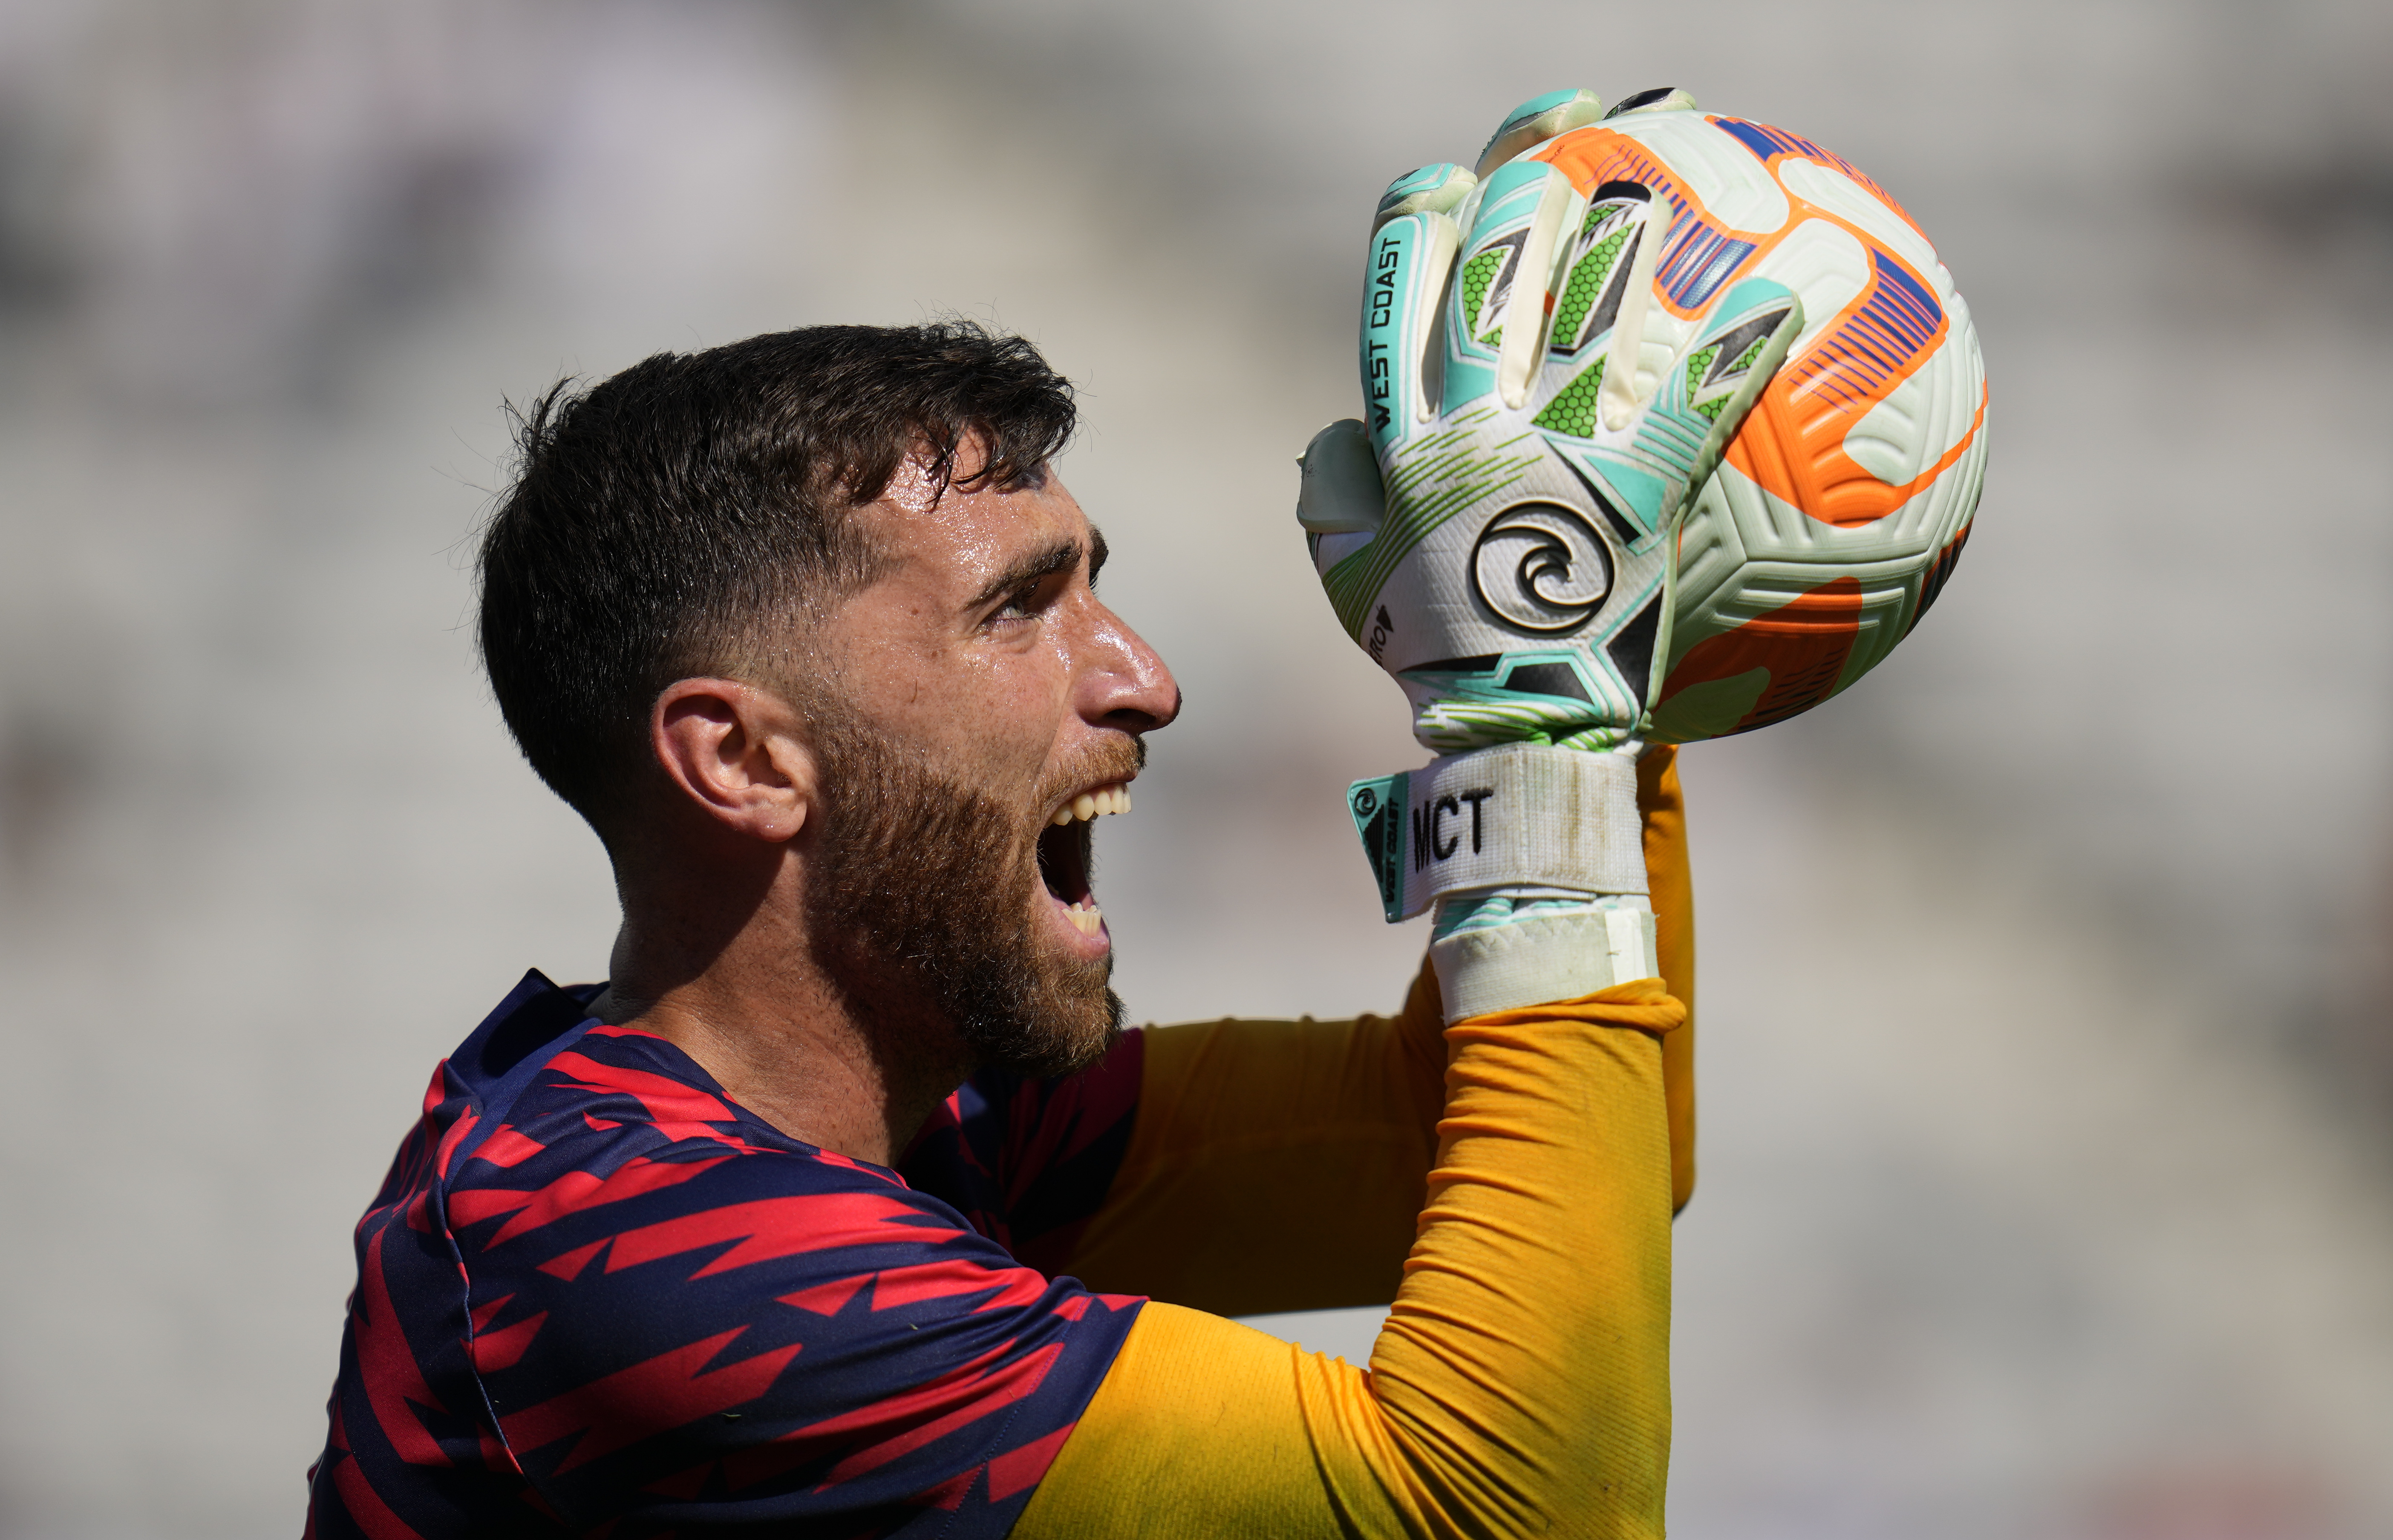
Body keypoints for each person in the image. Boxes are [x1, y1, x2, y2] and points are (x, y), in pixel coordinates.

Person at [308, 89, 1735, 1539]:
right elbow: (1509, 1517)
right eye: (1018, 608)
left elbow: (1511, 1151)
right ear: (742, 762)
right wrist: (1535, 709)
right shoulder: (634, 1252)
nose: (1146, 680)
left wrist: (1613, 644)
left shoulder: (937, 1109)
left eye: (1093, 583)